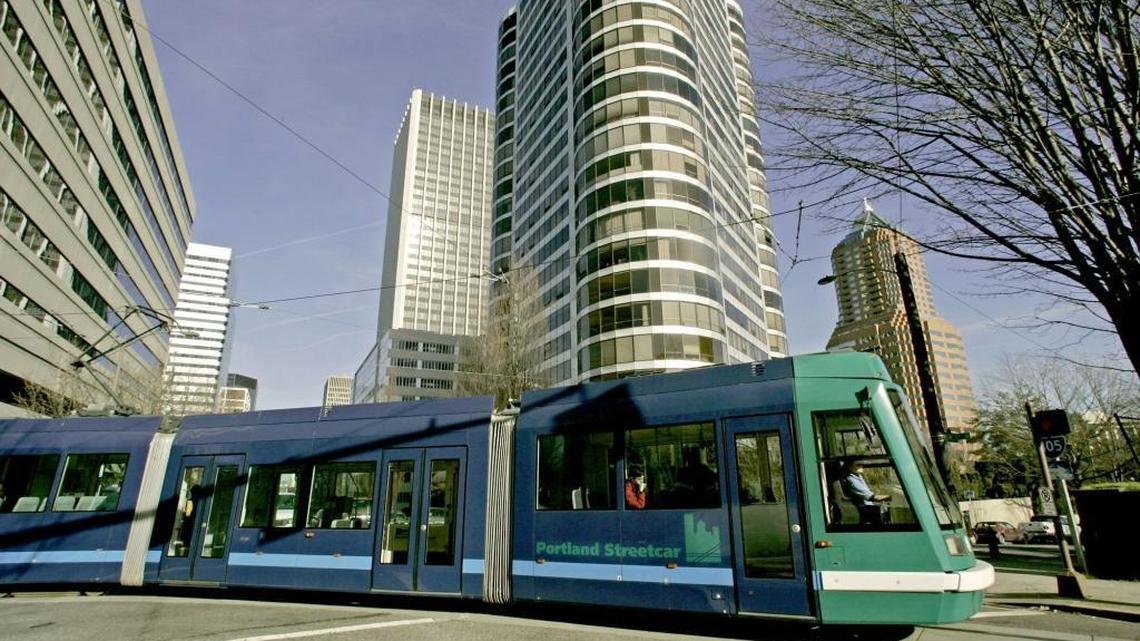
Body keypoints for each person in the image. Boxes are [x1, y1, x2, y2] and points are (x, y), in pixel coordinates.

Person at [840, 461, 890, 525]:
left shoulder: (858, 476)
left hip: (870, 508)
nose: (861, 465)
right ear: (850, 467)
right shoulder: (851, 480)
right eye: (858, 464)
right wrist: (889, 497)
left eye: (861, 464)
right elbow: (871, 497)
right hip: (866, 512)